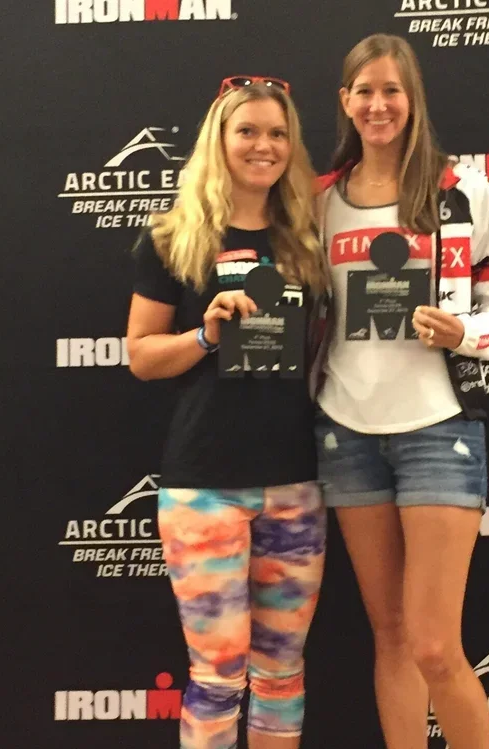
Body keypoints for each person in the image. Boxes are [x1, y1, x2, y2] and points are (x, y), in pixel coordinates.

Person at [313, 35, 489, 749]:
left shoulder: (461, 190)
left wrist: (464, 333)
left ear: (413, 99)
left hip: (439, 428)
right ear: (345, 102)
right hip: (346, 430)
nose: (378, 105)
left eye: (391, 91)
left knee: (436, 646)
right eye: (364, 91)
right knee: (393, 636)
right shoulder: (320, 199)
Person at [126, 76, 328, 749]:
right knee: (216, 676)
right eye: (247, 131)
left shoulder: (307, 237)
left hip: (295, 483)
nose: (263, 145)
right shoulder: (173, 238)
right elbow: (141, 355)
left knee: (281, 675)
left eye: (277, 133)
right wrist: (206, 335)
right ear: (220, 139)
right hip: (204, 485)